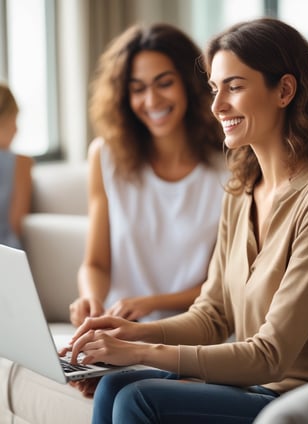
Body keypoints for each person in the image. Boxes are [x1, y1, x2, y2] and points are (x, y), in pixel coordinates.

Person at [63, 17, 308, 423]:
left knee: (139, 400)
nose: (217, 105)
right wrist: (131, 331)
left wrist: (139, 352)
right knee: (116, 384)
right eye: (213, 89)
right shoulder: (242, 189)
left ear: (285, 91)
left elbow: (271, 356)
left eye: (234, 87)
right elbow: (213, 315)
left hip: (303, 398)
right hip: (251, 387)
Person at [68, 23, 227, 327]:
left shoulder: (229, 167)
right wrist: (91, 298)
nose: (152, 101)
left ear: (190, 84)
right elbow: (96, 263)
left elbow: (222, 286)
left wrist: (150, 304)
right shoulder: (105, 156)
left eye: (164, 83)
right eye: (138, 88)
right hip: (118, 332)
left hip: (192, 335)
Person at [0, 83, 33, 249]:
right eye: (14, 120)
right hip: (6, 257)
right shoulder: (21, 163)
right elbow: (16, 225)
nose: (16, 130)